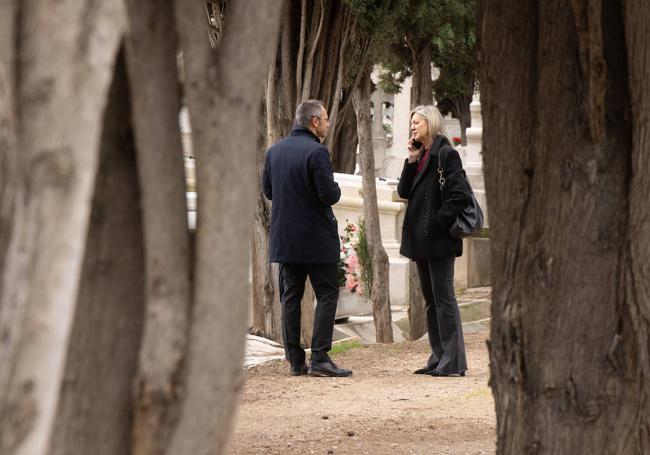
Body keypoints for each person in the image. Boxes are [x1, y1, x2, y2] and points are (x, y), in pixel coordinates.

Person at [262, 100, 352, 378]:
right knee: (327, 294)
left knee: (291, 298)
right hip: (316, 238)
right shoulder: (317, 153)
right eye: (325, 119)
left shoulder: (274, 152)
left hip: (285, 238)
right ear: (314, 121)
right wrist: (332, 188)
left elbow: (268, 190)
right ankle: (321, 357)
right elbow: (329, 194)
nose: (327, 124)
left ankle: (295, 361)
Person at [397, 105, 472, 377]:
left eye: (417, 122)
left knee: (444, 299)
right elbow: (404, 191)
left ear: (431, 122)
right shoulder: (422, 154)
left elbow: (460, 195)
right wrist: (411, 160)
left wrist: (439, 220)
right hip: (421, 242)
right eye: (411, 123)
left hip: (439, 240)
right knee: (431, 300)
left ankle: (453, 362)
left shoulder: (446, 154)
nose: (413, 127)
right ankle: (438, 356)